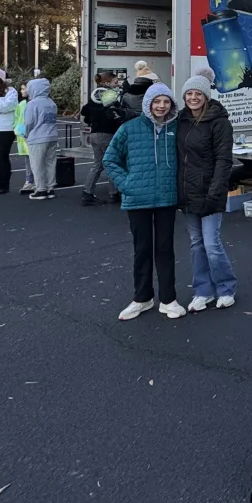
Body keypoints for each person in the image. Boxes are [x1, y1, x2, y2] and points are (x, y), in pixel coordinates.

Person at [104, 82, 185, 320]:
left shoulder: (178, 128)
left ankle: (168, 300)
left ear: (171, 104)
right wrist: (126, 185)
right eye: (156, 101)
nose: (161, 106)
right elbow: (110, 160)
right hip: (137, 199)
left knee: (165, 249)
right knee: (142, 250)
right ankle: (142, 298)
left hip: (166, 199)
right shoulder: (130, 128)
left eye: (166, 101)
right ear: (148, 104)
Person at [176, 75, 236, 311]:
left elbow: (224, 159)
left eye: (198, 94)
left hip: (210, 191)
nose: (193, 98)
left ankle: (226, 287)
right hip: (187, 192)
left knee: (211, 244)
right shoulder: (180, 120)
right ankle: (203, 291)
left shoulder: (219, 122)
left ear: (206, 97)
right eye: (189, 94)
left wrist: (215, 191)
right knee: (196, 244)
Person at [78, 71, 126, 206]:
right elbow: (114, 114)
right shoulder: (109, 95)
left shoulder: (96, 96)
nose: (118, 85)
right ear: (107, 83)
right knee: (112, 162)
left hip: (94, 134)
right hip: (107, 134)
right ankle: (113, 193)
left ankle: (88, 192)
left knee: (98, 164)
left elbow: (85, 112)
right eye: (116, 83)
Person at [22, 76, 59, 200]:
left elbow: (28, 123)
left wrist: (26, 134)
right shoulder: (51, 103)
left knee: (37, 164)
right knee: (50, 163)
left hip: (37, 137)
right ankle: (50, 188)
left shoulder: (32, 104)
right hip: (52, 136)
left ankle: (41, 189)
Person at [14, 82, 33, 193]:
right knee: (28, 160)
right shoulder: (21, 104)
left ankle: (36, 181)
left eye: (23, 89)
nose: (21, 91)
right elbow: (17, 118)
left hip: (33, 137)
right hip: (23, 137)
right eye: (21, 89)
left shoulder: (34, 104)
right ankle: (29, 181)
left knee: (35, 161)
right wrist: (16, 129)